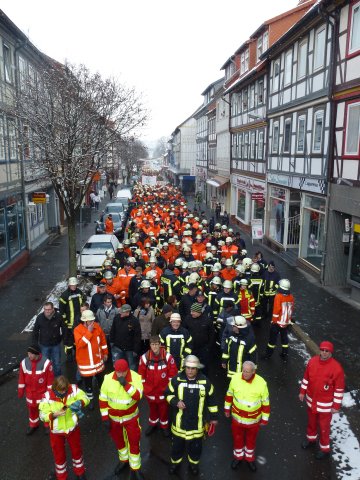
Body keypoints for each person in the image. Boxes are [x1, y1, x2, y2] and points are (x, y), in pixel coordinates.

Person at [165, 355, 218, 476]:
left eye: (193, 368)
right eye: (188, 368)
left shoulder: (205, 382)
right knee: (177, 447)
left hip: (197, 424)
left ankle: (194, 464)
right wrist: (175, 402)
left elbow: (212, 401)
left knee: (196, 447)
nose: (189, 371)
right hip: (179, 423)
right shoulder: (176, 380)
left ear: (197, 369)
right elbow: (167, 394)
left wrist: (214, 418)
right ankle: (175, 463)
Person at [99, 359, 144, 480]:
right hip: (114, 419)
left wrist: (126, 385)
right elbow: (103, 399)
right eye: (118, 372)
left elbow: (138, 396)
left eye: (122, 372)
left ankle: (136, 468)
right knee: (119, 441)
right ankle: (124, 460)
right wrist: (104, 418)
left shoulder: (135, 377)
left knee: (134, 442)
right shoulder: (108, 379)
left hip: (131, 418)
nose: (120, 375)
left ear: (127, 370)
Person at [299, 341, 345, 459]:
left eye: (327, 351)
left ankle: (325, 449)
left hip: (325, 406)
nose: (324, 353)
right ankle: (311, 439)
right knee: (311, 423)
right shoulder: (312, 361)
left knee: (324, 427)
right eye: (322, 350)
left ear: (330, 352)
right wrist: (302, 392)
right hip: (311, 401)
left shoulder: (337, 368)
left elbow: (339, 390)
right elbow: (306, 378)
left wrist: (336, 406)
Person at [39, 375, 89, 480]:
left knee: (77, 451)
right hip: (57, 432)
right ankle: (61, 476)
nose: (63, 393)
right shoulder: (47, 397)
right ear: (55, 388)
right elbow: (42, 416)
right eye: (60, 391)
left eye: (65, 390)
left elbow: (85, 397)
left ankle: (80, 472)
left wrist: (80, 402)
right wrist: (54, 415)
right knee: (59, 455)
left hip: (72, 428)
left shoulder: (73, 389)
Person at [224, 361, 270, 472]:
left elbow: (265, 402)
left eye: (247, 372)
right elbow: (229, 394)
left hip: (253, 420)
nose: (244, 374)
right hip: (237, 418)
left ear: (254, 371)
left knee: (251, 440)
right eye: (243, 371)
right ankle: (238, 457)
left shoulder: (261, 383)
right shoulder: (235, 378)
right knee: (237, 438)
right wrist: (226, 408)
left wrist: (265, 418)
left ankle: (249, 458)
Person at [138, 335, 178, 437]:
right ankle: (153, 424)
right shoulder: (144, 358)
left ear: (160, 345)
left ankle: (164, 426)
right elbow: (141, 375)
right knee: (152, 409)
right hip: (150, 391)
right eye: (152, 344)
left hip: (163, 391)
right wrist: (145, 389)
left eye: (156, 344)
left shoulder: (168, 357)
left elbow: (173, 374)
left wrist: (169, 390)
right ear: (150, 345)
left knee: (164, 410)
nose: (155, 347)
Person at [73, 310, 108, 410]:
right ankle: (90, 400)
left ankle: (103, 398)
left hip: (98, 361)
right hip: (86, 364)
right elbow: (80, 344)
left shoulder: (97, 327)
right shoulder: (78, 330)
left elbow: (103, 341)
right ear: (84, 321)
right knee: (88, 385)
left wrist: (105, 353)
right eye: (90, 321)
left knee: (101, 381)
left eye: (93, 320)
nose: (92, 322)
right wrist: (89, 332)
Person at [18, 344, 54, 435]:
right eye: (28, 353)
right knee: (32, 411)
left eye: (31, 354)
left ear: (37, 354)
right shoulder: (24, 363)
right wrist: (21, 391)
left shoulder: (46, 363)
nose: (29, 355)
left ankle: (47, 425)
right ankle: (33, 425)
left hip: (42, 394)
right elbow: (21, 378)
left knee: (45, 410)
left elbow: (50, 380)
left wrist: (49, 394)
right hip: (30, 394)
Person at [262, 278, 294, 361]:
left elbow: (276, 310)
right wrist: (289, 320)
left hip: (277, 323)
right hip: (285, 323)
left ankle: (268, 355)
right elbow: (291, 309)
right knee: (284, 340)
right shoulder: (291, 297)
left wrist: (273, 321)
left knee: (272, 340)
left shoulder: (278, 296)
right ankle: (284, 355)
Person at [32, 302, 65, 377]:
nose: (47, 311)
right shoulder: (40, 317)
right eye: (45, 309)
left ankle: (58, 380)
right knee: (45, 364)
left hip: (56, 344)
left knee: (57, 363)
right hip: (44, 345)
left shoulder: (58, 316)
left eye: (49, 309)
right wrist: (34, 344)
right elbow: (35, 331)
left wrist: (63, 339)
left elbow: (64, 328)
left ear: (53, 309)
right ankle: (46, 380)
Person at [182, 302, 214, 375]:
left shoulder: (207, 320)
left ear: (198, 311)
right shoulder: (187, 318)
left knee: (203, 366)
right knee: (191, 365)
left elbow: (212, 334)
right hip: (191, 348)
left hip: (203, 349)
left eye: (193, 311)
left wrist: (208, 347)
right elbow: (184, 332)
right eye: (191, 311)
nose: (191, 313)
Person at [59, 277, 85, 361]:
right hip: (69, 323)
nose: (74, 286)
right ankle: (69, 355)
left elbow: (84, 302)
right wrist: (65, 321)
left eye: (75, 285)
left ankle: (77, 353)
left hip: (79, 321)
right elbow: (62, 310)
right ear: (69, 285)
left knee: (77, 339)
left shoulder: (79, 292)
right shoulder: (64, 295)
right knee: (68, 341)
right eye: (72, 285)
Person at [110, 304, 141, 370]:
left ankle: (132, 379)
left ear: (128, 312)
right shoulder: (116, 318)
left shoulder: (134, 321)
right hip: (117, 347)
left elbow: (137, 336)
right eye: (121, 311)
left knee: (132, 366)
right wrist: (112, 342)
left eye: (123, 312)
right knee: (116, 365)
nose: (121, 313)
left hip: (130, 349)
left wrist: (136, 350)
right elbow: (113, 330)